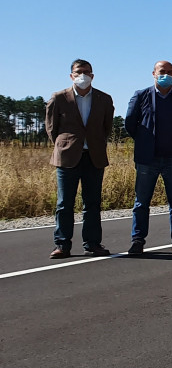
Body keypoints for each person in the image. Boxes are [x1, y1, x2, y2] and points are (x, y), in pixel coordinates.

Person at [45, 59, 115, 258]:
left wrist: (94, 142)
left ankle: (92, 244)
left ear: (92, 76)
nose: (82, 75)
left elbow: (106, 127)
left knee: (92, 203)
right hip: (67, 157)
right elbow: (51, 128)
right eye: (78, 72)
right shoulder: (58, 98)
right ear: (71, 75)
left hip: (94, 156)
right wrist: (65, 145)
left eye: (86, 72)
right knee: (64, 203)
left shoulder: (104, 99)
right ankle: (62, 245)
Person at [125, 60, 172, 255]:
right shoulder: (141, 96)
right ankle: (137, 241)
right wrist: (144, 141)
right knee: (141, 202)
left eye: (170, 72)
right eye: (162, 71)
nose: (166, 75)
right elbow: (130, 123)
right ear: (153, 73)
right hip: (148, 159)